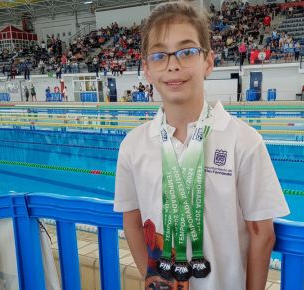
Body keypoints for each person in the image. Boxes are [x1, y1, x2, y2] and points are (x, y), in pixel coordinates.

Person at [113, 2, 289, 290]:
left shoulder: (243, 141)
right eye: (159, 55)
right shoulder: (132, 146)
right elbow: (132, 221)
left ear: (208, 61)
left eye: (187, 51)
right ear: (146, 68)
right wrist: (155, 278)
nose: (173, 64)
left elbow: (262, 233)